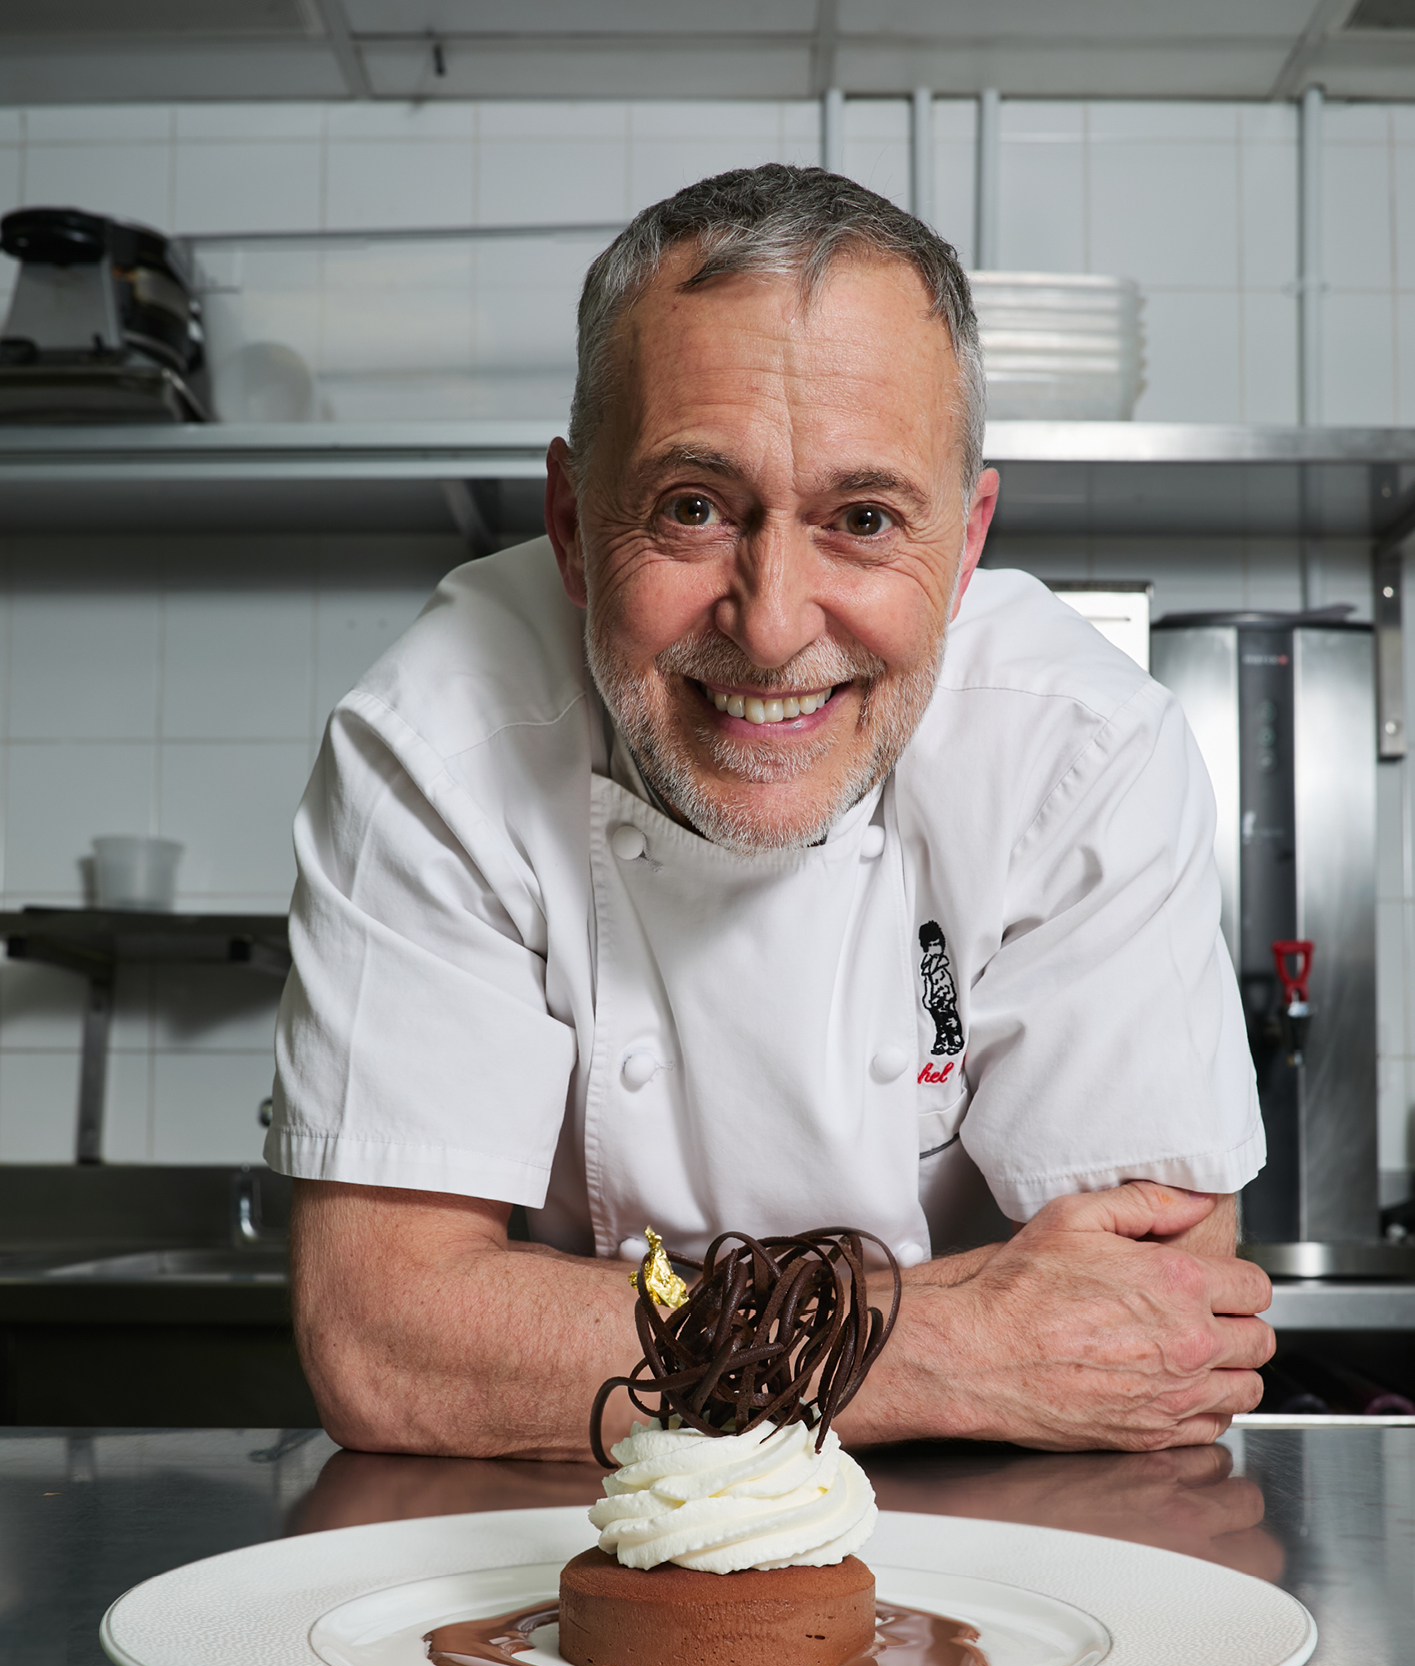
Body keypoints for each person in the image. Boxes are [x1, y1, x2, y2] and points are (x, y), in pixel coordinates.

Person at [266, 164, 1273, 1461]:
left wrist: (558, 1334)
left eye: (862, 520)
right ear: (573, 524)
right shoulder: (437, 745)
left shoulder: (1086, 749)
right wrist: (943, 1344)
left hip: (1008, 1543)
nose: (776, 621)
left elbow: (1159, 1324)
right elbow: (387, 1341)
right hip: (580, 1544)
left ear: (966, 547)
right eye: (694, 509)